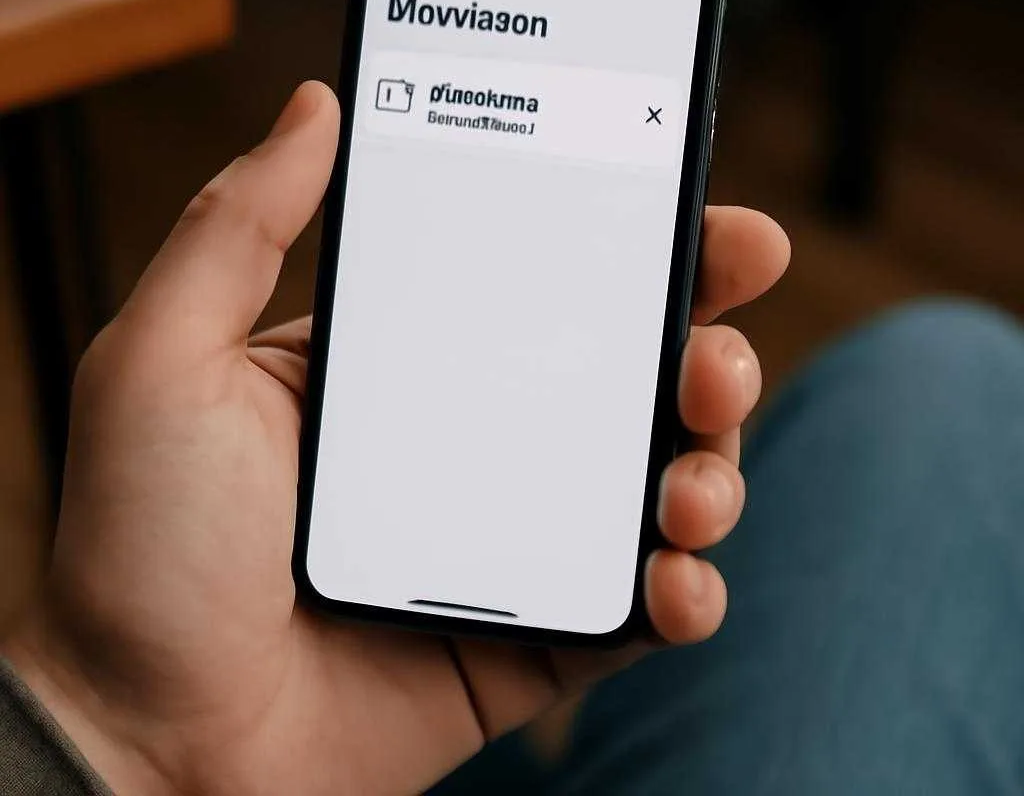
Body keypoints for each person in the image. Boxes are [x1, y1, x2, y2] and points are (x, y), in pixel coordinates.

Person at [1, 82, 1021, 795]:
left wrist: (110, 733)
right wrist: (120, 733)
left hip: (258, 732)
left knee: (938, 377)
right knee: (944, 375)